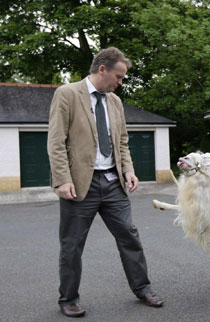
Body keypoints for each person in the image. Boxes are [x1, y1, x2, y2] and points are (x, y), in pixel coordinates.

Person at [48, 47, 163, 318]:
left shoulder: (115, 102)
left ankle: (143, 288)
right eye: (119, 77)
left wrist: (129, 170)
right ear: (102, 70)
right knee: (72, 244)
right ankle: (69, 299)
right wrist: (62, 180)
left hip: (113, 183)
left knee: (129, 235)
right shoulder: (67, 94)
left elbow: (122, 141)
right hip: (78, 185)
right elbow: (56, 142)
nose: (120, 83)